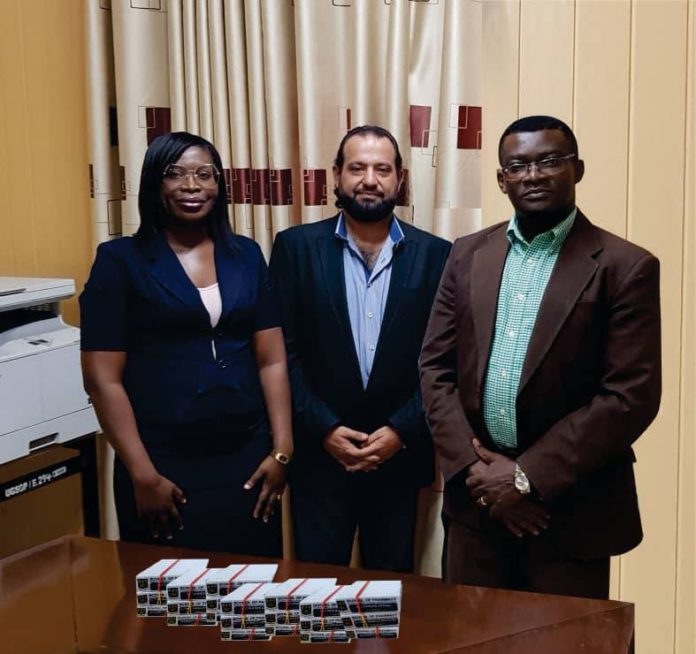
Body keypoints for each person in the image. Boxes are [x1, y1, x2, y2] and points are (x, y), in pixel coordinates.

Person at [420, 115, 661, 599]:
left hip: (570, 513)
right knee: (471, 642)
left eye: (550, 161)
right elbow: (435, 369)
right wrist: (480, 474)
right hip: (477, 509)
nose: (533, 175)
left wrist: (526, 477)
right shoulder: (467, 254)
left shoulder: (624, 266)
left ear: (579, 169)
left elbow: (629, 396)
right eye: (518, 165)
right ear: (501, 178)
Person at [80, 131, 293, 556]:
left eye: (204, 174)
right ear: (154, 184)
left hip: (247, 461)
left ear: (220, 184)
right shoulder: (120, 261)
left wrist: (283, 451)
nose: (192, 186)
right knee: (170, 607)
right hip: (162, 465)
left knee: (249, 601)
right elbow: (103, 380)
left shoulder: (246, 255)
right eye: (175, 174)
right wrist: (143, 474)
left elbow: (271, 360)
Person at [268, 125, 450, 572]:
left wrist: (402, 431)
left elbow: (445, 360)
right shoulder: (295, 248)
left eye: (382, 169)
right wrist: (326, 429)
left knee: (391, 599)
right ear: (336, 175)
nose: (370, 179)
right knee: (315, 593)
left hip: (399, 459)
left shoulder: (437, 255)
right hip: (319, 459)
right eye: (357, 168)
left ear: (400, 178)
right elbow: (282, 352)